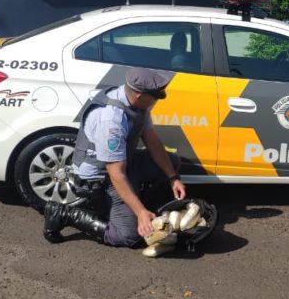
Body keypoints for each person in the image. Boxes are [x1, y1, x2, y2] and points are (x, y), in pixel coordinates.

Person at [43, 67, 187, 246]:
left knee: (172, 163)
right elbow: (116, 175)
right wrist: (141, 212)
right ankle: (64, 213)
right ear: (139, 96)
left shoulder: (135, 101)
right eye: (154, 98)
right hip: (100, 178)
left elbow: (152, 141)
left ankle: (133, 202)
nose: (156, 101)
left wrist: (172, 177)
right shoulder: (111, 121)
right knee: (128, 235)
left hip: (122, 163)